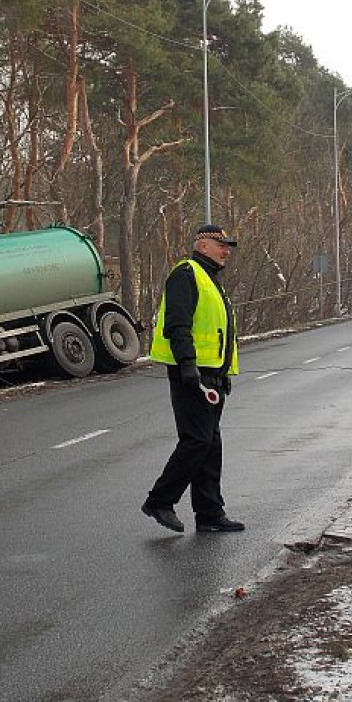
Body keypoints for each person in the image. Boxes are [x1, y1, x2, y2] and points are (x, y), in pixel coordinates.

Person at [142, 224, 243, 534]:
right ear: (202, 246)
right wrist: (188, 364)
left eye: (228, 246)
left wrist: (222, 373)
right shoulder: (186, 274)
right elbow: (177, 323)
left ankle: (210, 512)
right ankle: (160, 500)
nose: (226, 250)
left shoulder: (211, 280)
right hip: (193, 375)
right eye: (221, 245)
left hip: (213, 374)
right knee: (197, 441)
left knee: (210, 445)